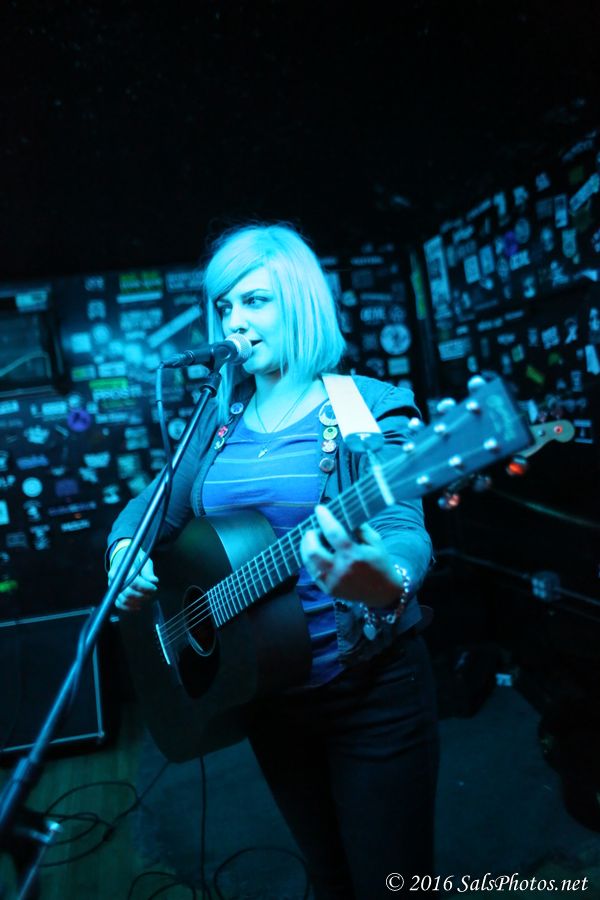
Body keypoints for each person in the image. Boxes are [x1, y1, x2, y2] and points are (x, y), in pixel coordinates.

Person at [107, 222, 438, 899]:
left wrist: (386, 579)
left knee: (394, 881)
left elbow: (402, 525)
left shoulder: (364, 405)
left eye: (255, 300)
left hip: (369, 693)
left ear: (301, 303)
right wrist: (122, 551)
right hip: (264, 692)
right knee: (328, 873)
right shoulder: (217, 418)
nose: (234, 320)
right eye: (224, 305)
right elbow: (152, 507)